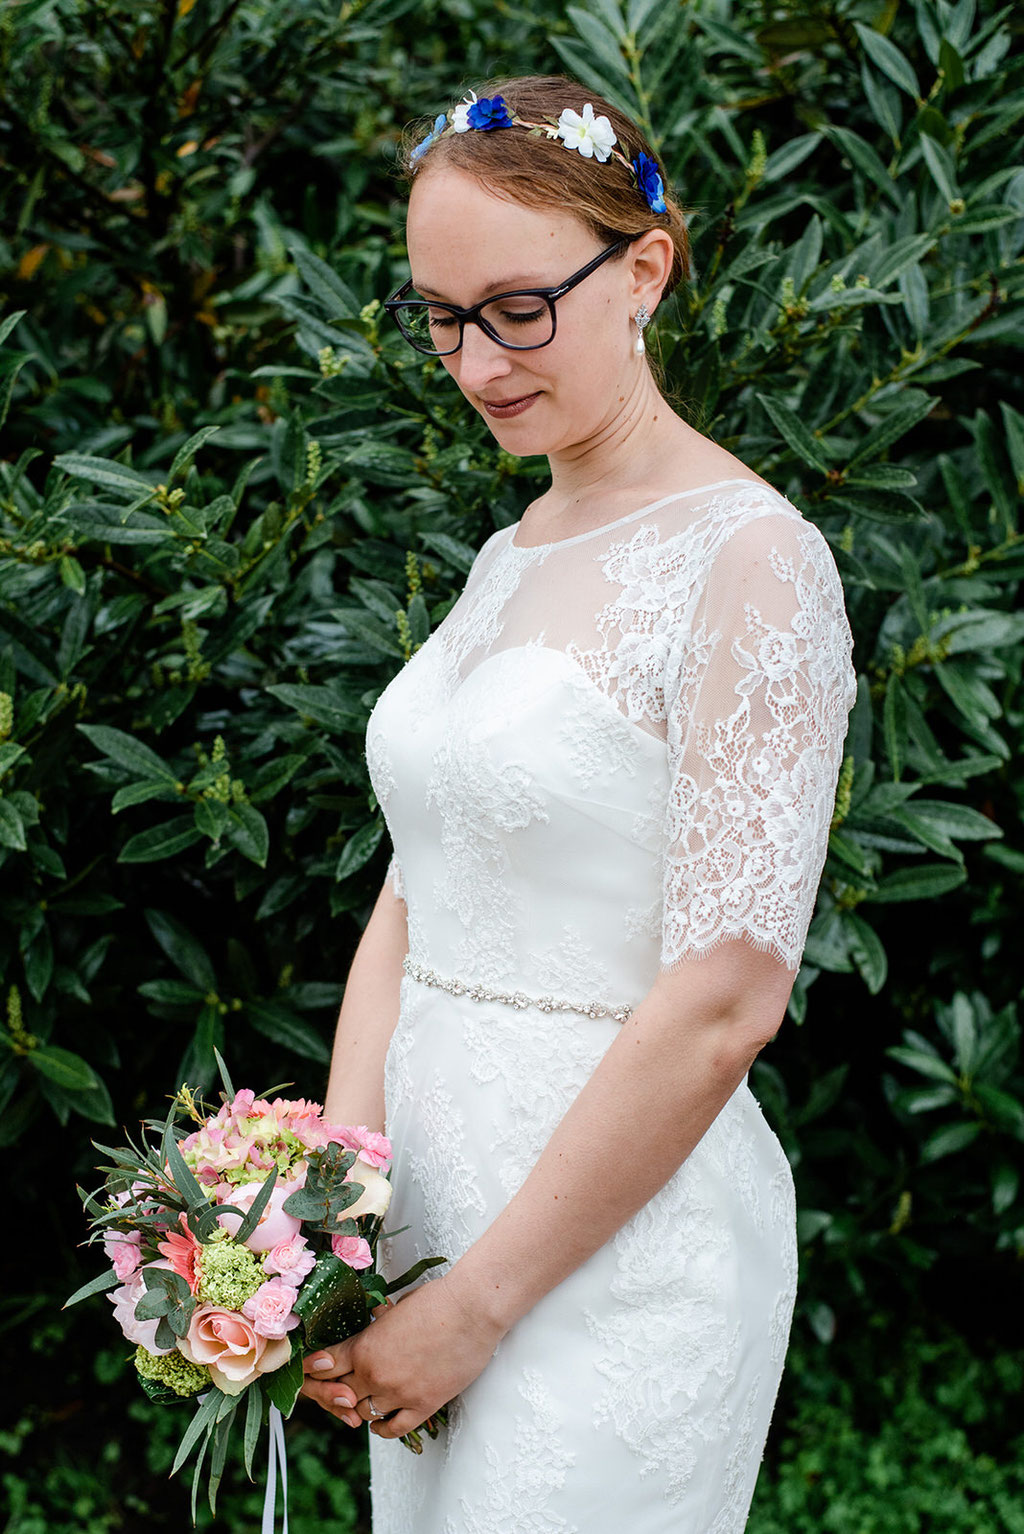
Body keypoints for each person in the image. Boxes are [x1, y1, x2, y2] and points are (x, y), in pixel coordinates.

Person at [298, 73, 857, 1534]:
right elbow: (415, 884)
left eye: (518, 307)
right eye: (439, 313)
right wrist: (336, 1201)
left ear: (647, 269)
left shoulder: (754, 560)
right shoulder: (514, 546)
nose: (476, 361)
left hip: (606, 1259)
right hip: (427, 1228)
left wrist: (475, 1303)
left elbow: (729, 993)